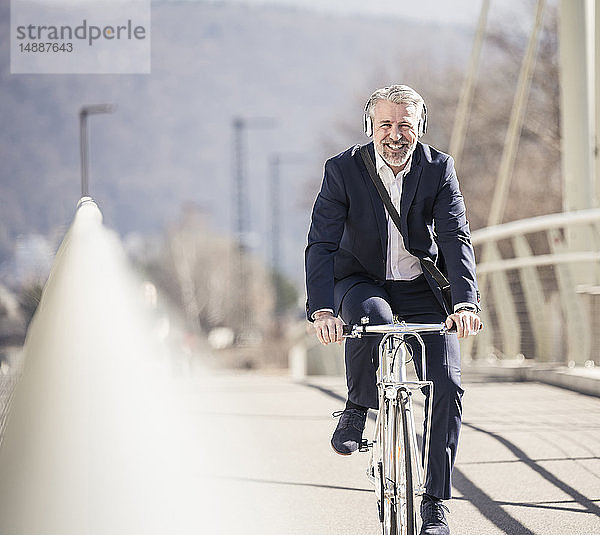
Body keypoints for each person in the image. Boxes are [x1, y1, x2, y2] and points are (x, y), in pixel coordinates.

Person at [304, 84, 480, 535]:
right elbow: (322, 243)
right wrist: (323, 309)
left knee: (448, 383)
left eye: (405, 124)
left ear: (419, 127)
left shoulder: (439, 168)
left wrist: (464, 302)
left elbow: (456, 238)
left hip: (422, 285)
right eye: (385, 124)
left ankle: (436, 502)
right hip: (362, 280)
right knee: (373, 320)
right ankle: (360, 406)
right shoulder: (342, 170)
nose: (395, 134)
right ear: (370, 126)